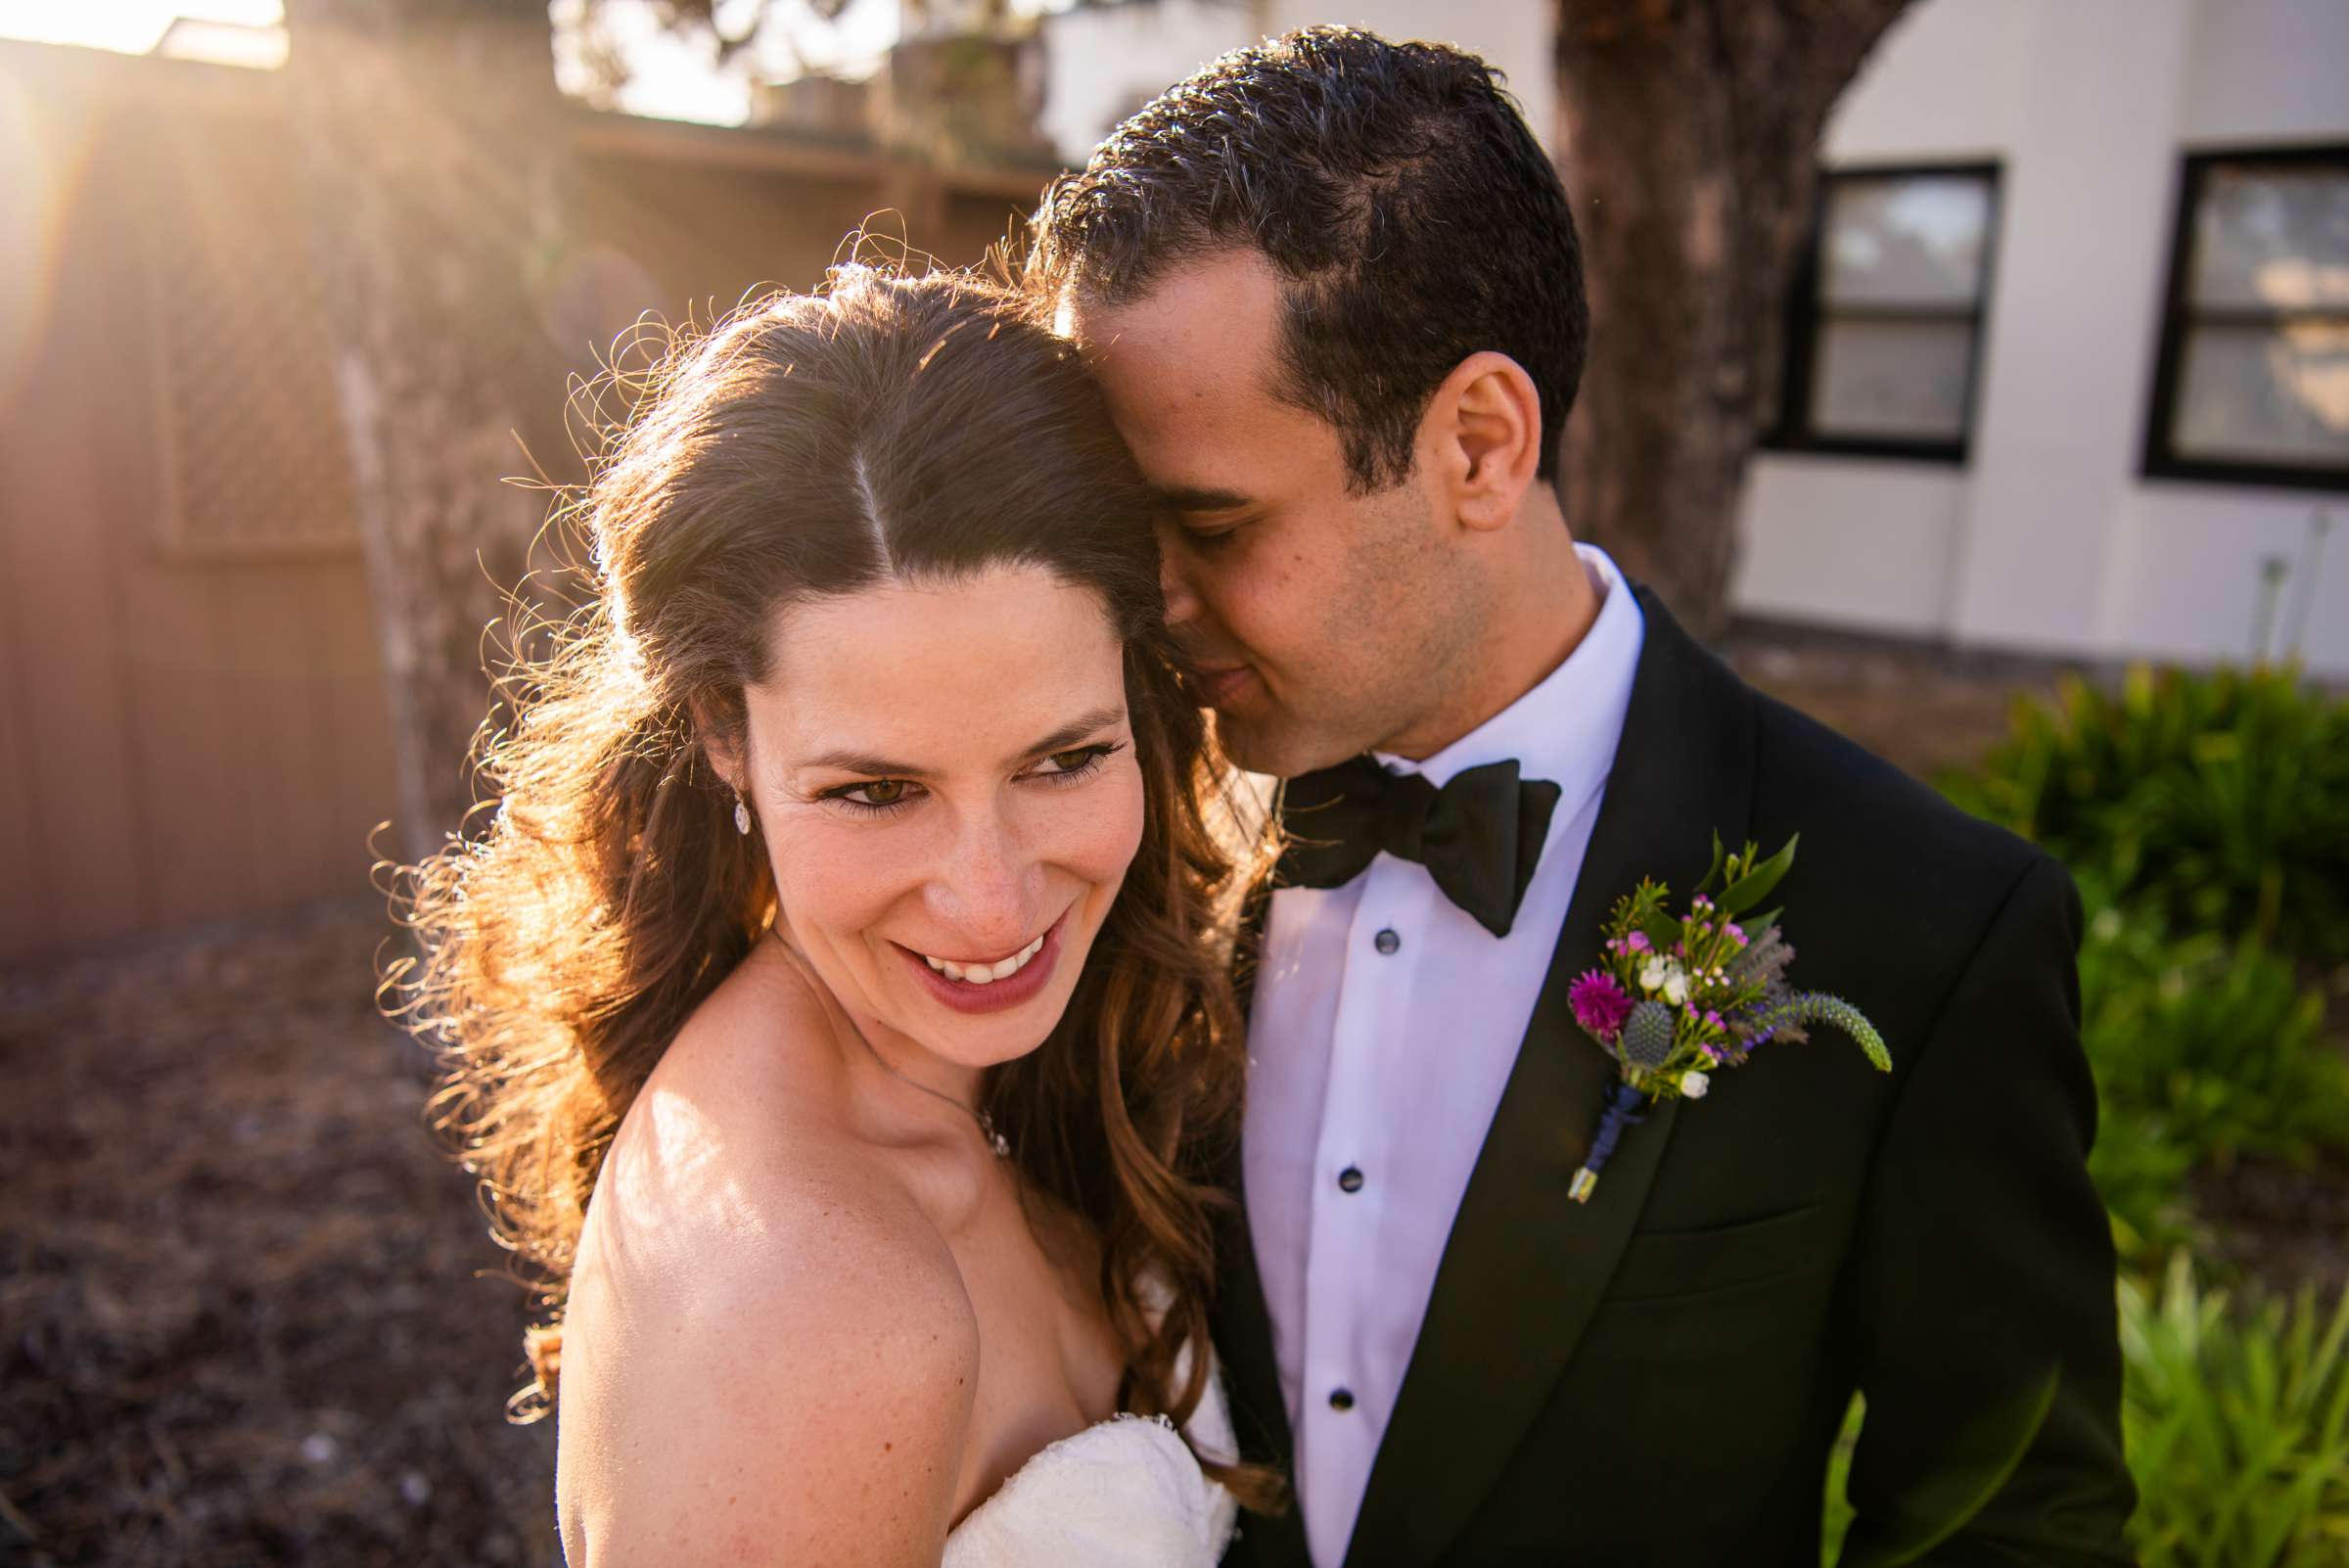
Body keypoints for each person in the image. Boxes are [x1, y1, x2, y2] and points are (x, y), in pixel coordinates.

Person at [1026, 26, 2138, 1567]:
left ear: (1479, 443)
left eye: (1209, 523)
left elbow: (2015, 1518)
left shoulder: (1926, 926)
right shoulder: (1109, 830)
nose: (1148, 600)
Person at [387, 266, 1282, 1565]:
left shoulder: (954, 1075)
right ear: (722, 737)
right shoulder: (818, 1311)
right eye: (875, 790)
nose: (990, 898)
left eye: (1063, 758)